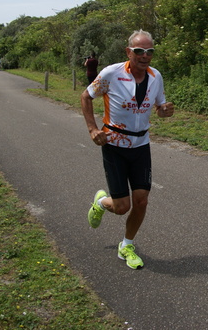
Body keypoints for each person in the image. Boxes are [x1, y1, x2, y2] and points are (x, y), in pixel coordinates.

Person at [81, 30, 174, 269]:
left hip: (141, 145)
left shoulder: (156, 76)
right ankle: (102, 203)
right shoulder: (111, 74)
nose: (145, 56)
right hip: (114, 145)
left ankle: (127, 245)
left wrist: (164, 111)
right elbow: (86, 96)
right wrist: (93, 129)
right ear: (128, 52)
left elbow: (160, 106)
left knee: (141, 201)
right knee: (122, 207)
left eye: (149, 51)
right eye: (139, 51)